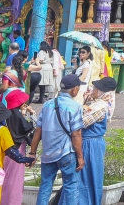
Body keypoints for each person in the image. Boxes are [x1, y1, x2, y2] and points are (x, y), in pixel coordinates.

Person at [29, 74, 85, 205]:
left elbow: (38, 130)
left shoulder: (47, 104)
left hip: (48, 153)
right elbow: (76, 134)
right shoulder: (75, 106)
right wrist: (80, 157)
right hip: (66, 153)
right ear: (75, 89)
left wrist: (32, 152)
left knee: (45, 186)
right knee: (71, 186)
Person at [76, 76, 116, 205]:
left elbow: (82, 122)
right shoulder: (95, 103)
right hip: (89, 142)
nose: (93, 90)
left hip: (91, 144)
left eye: (96, 88)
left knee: (88, 175)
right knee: (84, 175)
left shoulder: (100, 106)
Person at [0, 90, 35, 205]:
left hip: (5, 151)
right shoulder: (17, 116)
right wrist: (32, 114)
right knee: (14, 181)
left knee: (5, 179)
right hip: (17, 151)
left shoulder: (7, 115)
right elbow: (31, 128)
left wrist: (23, 113)